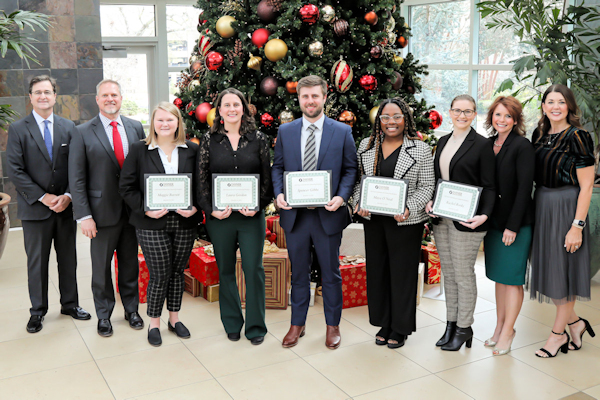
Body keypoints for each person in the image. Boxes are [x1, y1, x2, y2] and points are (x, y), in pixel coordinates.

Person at [272, 75, 358, 349]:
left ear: (324, 98)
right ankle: (297, 324)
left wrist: (341, 197)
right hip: (295, 216)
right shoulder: (285, 132)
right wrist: (279, 193)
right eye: (305, 96)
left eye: (315, 96)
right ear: (299, 99)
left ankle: (332, 325)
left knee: (330, 273)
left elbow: (350, 169)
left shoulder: (341, 131)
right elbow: (277, 168)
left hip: (327, 214)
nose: (310, 101)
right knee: (298, 273)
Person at [7, 75, 91, 333]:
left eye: (47, 91)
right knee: (37, 263)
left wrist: (67, 195)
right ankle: (37, 311)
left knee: (68, 259)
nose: (43, 96)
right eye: (37, 92)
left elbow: (77, 166)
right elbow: (14, 169)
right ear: (30, 97)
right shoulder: (18, 129)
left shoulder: (69, 127)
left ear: (55, 96)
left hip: (65, 208)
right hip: (35, 209)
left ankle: (70, 304)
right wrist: (43, 197)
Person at [352, 98, 435, 348]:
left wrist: (409, 207)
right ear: (379, 120)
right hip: (374, 220)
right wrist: (358, 203)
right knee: (378, 272)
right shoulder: (366, 146)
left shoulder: (419, 149)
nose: (391, 122)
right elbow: (357, 181)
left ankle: (400, 327)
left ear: (405, 119)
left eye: (396, 116)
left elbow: (428, 186)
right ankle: (384, 321)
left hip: (405, 222)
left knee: (402, 274)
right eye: (385, 117)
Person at [69, 79, 146, 337]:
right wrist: (84, 216)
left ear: (121, 98)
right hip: (100, 214)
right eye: (105, 95)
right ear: (97, 99)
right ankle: (104, 315)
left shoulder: (135, 127)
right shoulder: (81, 132)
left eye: (114, 94)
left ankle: (132, 310)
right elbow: (76, 178)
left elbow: (144, 168)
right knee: (101, 268)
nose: (110, 99)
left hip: (132, 212)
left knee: (129, 264)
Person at [197, 88, 273, 345]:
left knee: (254, 269)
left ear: (244, 108)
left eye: (236, 104)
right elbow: (202, 180)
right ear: (219, 110)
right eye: (226, 105)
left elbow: (267, 178)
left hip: (251, 217)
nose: (231, 109)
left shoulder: (258, 138)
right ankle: (231, 322)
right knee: (226, 269)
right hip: (220, 219)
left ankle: (256, 327)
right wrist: (211, 210)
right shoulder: (208, 140)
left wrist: (259, 205)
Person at [119, 102, 199, 346]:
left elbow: (199, 185)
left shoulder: (191, 151)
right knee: (159, 273)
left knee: (177, 272)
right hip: (151, 222)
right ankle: (154, 322)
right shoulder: (139, 150)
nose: (165, 124)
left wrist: (195, 207)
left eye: (170, 120)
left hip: (185, 221)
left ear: (178, 123)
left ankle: (174, 319)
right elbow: (126, 187)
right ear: (153, 123)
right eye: (160, 120)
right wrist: (146, 208)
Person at [530, 84, 596, 358]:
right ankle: (576, 323)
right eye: (550, 101)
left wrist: (576, 227)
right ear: (543, 106)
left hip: (567, 207)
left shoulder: (578, 136)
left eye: (561, 101)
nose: (555, 106)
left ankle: (557, 336)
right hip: (542, 204)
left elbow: (588, 186)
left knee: (564, 274)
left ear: (569, 106)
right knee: (551, 272)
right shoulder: (539, 134)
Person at [425, 94, 495, 351]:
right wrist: (431, 201)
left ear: (474, 114)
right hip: (442, 218)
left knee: (464, 274)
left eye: (468, 111)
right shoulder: (443, 141)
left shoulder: (482, 144)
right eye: (458, 111)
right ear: (450, 112)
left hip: (468, 220)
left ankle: (465, 327)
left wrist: (484, 215)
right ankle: (451, 324)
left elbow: (489, 185)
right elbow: (439, 179)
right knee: (450, 274)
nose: (462, 115)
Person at [482, 96, 534, 356]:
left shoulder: (522, 145)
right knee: (499, 279)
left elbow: (525, 189)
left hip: (515, 225)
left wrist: (512, 226)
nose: (501, 120)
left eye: (507, 116)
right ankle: (499, 326)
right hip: (493, 223)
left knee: (512, 280)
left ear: (515, 120)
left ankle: (509, 331)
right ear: (491, 116)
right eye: (497, 115)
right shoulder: (489, 144)